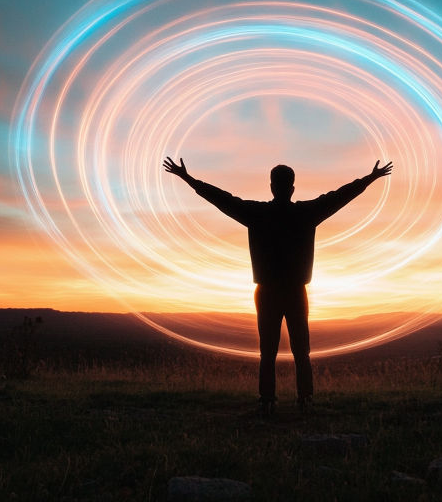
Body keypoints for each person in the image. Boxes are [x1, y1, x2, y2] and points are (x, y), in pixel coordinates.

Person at [163, 156, 392, 416]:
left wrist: (188, 178)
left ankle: (268, 400)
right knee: (301, 349)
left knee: (268, 350)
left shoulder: (258, 214)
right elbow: (339, 197)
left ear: (271, 187)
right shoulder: (305, 213)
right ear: (292, 188)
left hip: (267, 292)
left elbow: (222, 199)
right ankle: (304, 398)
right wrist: (370, 178)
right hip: (295, 291)